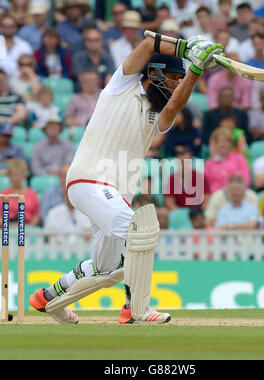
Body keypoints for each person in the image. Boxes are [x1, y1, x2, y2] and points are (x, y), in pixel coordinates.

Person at [29, 31, 224, 325]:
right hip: (90, 179)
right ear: (154, 73)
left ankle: (48, 298)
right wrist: (186, 49)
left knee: (105, 269)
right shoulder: (121, 86)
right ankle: (136, 309)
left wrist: (194, 70)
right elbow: (148, 44)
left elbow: (174, 107)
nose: (175, 86)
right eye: (172, 79)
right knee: (141, 231)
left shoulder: (159, 114)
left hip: (113, 192)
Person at [205, 127, 251, 194]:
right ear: (215, 144)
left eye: (226, 141)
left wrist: (234, 190)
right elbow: (207, 185)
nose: (223, 144)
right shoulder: (209, 164)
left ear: (230, 143)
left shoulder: (240, 159)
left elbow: (246, 181)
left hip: (238, 194)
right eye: (220, 141)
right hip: (217, 196)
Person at [0, 158, 40, 226]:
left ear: (24, 175)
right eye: (14, 175)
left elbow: (37, 215)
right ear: (9, 176)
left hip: (28, 228)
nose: (17, 178)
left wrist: (28, 226)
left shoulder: (32, 193)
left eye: (19, 175)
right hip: (7, 229)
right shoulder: (3, 194)